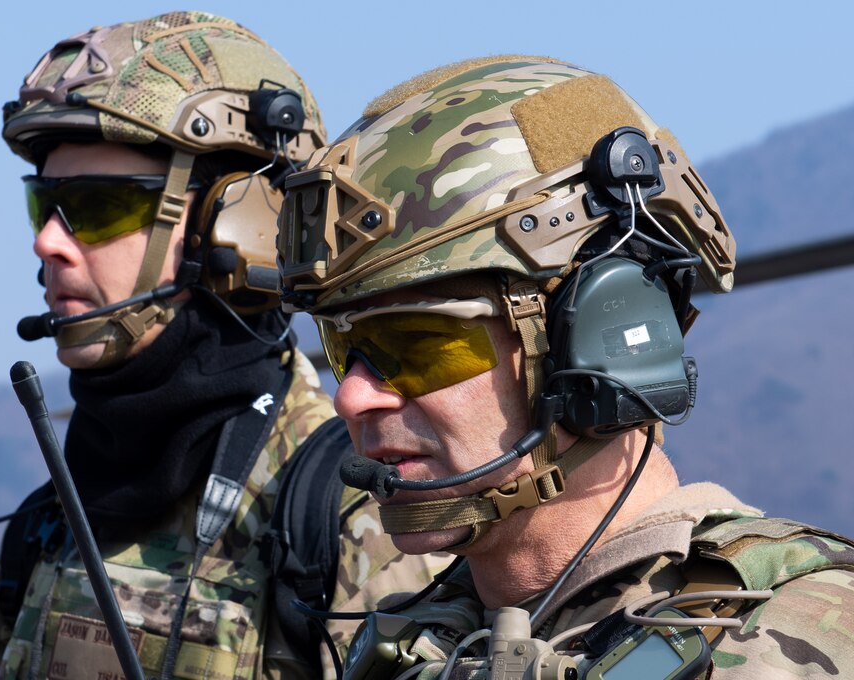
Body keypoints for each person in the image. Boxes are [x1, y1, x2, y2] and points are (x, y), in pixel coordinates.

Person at [276, 56, 854, 679]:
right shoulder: (407, 647)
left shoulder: (800, 641)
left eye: (418, 344)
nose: (352, 398)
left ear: (598, 341)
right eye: (343, 350)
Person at [0, 12, 449, 680]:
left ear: (240, 225)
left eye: (96, 206)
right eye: (43, 206)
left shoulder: (355, 525)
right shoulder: (48, 523)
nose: (48, 242)